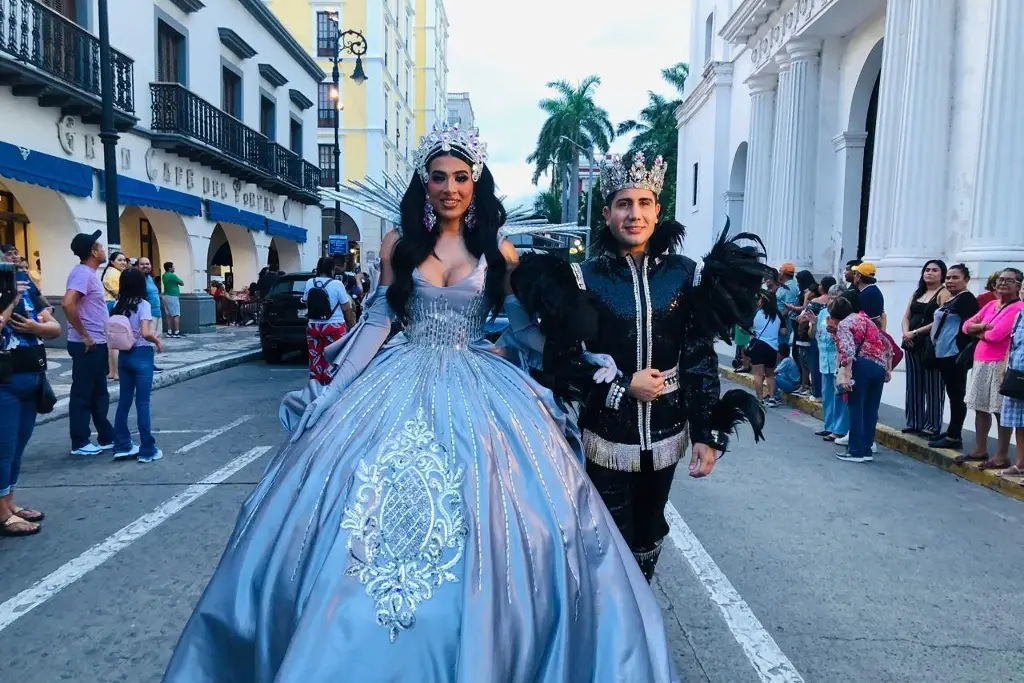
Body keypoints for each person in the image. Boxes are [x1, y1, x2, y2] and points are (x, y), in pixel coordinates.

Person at [163, 124, 682, 682]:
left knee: (509, 512)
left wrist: (586, 357)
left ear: (475, 180)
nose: (450, 187)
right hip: (399, 378)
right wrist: (334, 389)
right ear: (425, 182)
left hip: (480, 382)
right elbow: (378, 322)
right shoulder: (398, 244)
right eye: (439, 177)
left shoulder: (498, 251)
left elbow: (524, 329)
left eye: (461, 177)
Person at [511, 154, 770, 583]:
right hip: (604, 432)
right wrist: (621, 385)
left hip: (667, 434)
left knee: (650, 532)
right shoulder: (581, 278)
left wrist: (707, 433)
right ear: (608, 213)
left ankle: (637, 619)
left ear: (657, 211)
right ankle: (610, 628)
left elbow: (698, 358)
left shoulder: (684, 276)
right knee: (604, 534)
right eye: (624, 204)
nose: (635, 214)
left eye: (644, 203)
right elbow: (562, 361)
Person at [1, 262, 61, 536]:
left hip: (31, 377)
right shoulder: (11, 293)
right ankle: (3, 513)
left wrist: (35, 327)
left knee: (17, 448)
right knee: (3, 448)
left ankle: (9, 502)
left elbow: (55, 327)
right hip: (5, 382)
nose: (15, 263)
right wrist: (10, 301)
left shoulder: (25, 283)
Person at [958, 268, 1024, 470]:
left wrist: (979, 329)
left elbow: (996, 335)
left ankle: (1001, 454)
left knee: (999, 409)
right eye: (1000, 280)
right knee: (980, 406)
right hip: (981, 360)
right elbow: (965, 325)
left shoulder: (1017, 308)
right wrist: (982, 328)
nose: (1003, 283)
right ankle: (980, 448)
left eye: (1009, 281)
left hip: (999, 363)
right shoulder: (991, 305)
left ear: (1018, 285)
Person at [61, 231, 114, 457]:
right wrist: (84, 335)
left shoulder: (88, 274)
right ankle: (80, 441)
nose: (104, 249)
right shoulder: (82, 273)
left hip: (96, 343)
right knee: (84, 393)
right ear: (93, 252)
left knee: (98, 392)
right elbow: (67, 303)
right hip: (87, 344)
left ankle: (105, 436)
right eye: (100, 246)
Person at [110, 268, 165, 463]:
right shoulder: (144, 305)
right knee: (142, 403)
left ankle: (122, 445)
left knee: (123, 402)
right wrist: (157, 340)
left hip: (124, 355)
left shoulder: (118, 304)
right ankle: (147, 449)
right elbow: (145, 332)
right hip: (141, 354)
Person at [833, 296, 893, 463]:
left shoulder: (844, 324)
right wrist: (887, 369)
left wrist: (846, 374)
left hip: (862, 367)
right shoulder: (866, 320)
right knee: (871, 410)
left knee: (856, 408)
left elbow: (848, 351)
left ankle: (856, 451)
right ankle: (867, 449)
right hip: (879, 366)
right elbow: (887, 343)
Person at [928, 264, 979, 450]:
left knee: (957, 395)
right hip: (944, 353)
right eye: (948, 277)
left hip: (954, 354)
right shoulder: (953, 299)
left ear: (966, 280)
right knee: (952, 394)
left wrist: (961, 348)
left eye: (955, 277)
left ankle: (954, 436)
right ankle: (951, 430)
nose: (950, 281)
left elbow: (970, 326)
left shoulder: (966, 299)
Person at [900, 259, 949, 436]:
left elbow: (940, 320)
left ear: (942, 274)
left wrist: (916, 332)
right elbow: (906, 316)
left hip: (931, 345)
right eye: (927, 270)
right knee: (913, 384)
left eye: (934, 270)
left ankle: (932, 424)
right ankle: (914, 421)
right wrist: (906, 333)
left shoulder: (944, 293)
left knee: (933, 385)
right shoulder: (917, 293)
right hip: (912, 343)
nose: (929, 273)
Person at [302, 256, 355, 385]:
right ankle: (330, 387)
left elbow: (305, 302)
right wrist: (351, 325)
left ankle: (315, 387)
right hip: (334, 326)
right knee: (332, 359)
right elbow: (346, 308)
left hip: (313, 326)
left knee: (315, 358)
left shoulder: (310, 282)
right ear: (332, 269)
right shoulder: (337, 284)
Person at [813, 284, 848, 442]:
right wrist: (813, 323)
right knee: (827, 394)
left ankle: (839, 429)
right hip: (824, 358)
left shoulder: (844, 316)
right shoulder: (822, 314)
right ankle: (829, 426)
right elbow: (816, 334)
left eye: (836, 297)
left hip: (837, 359)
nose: (833, 300)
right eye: (831, 297)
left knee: (839, 395)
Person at [998, 309, 1024, 479]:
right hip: (1017, 372)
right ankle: (1020, 465)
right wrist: (1004, 368)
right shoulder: (1020, 314)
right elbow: (1012, 343)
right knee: (1020, 422)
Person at [749, 290, 783, 407]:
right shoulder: (778, 315)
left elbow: (745, 327)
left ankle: (759, 399)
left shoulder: (756, 313)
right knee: (770, 375)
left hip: (758, 346)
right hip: (772, 348)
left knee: (758, 374)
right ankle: (772, 398)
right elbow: (784, 331)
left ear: (763, 301)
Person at [101, 251, 128, 381]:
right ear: (112, 262)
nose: (123, 262)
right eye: (120, 260)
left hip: (108, 305)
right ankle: (117, 372)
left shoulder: (110, 272)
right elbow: (119, 292)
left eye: (124, 260)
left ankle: (112, 372)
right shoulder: (115, 274)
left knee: (110, 342)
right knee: (116, 340)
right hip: (113, 305)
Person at [851, 262, 885, 328]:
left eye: (855, 274)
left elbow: (875, 320)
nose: (853, 276)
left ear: (859, 276)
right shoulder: (872, 291)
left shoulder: (868, 294)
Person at [137, 257, 163, 338]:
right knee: (148, 341)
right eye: (142, 264)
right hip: (147, 316)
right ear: (137, 266)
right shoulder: (138, 279)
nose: (145, 266)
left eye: (147, 264)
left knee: (157, 340)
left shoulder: (150, 278)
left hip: (157, 314)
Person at [162, 261, 184, 337]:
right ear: (169, 268)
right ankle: (177, 332)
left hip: (166, 296)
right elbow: (182, 283)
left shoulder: (164, 275)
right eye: (173, 267)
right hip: (173, 296)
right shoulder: (172, 275)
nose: (174, 268)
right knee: (176, 314)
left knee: (168, 315)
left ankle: (169, 331)